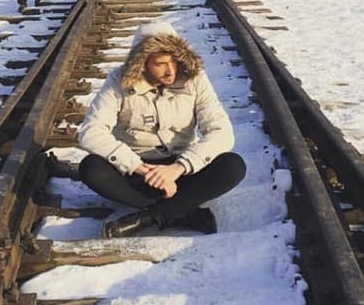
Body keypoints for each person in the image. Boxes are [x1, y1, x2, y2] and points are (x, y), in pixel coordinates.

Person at [78, 20, 247, 239]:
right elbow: (90, 132)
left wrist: (177, 169)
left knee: (233, 165)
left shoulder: (194, 79)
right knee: (91, 168)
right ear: (142, 63)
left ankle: (150, 218)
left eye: (174, 62)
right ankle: (184, 211)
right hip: (137, 171)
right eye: (160, 64)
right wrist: (141, 168)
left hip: (184, 169)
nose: (170, 71)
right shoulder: (118, 81)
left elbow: (221, 131)